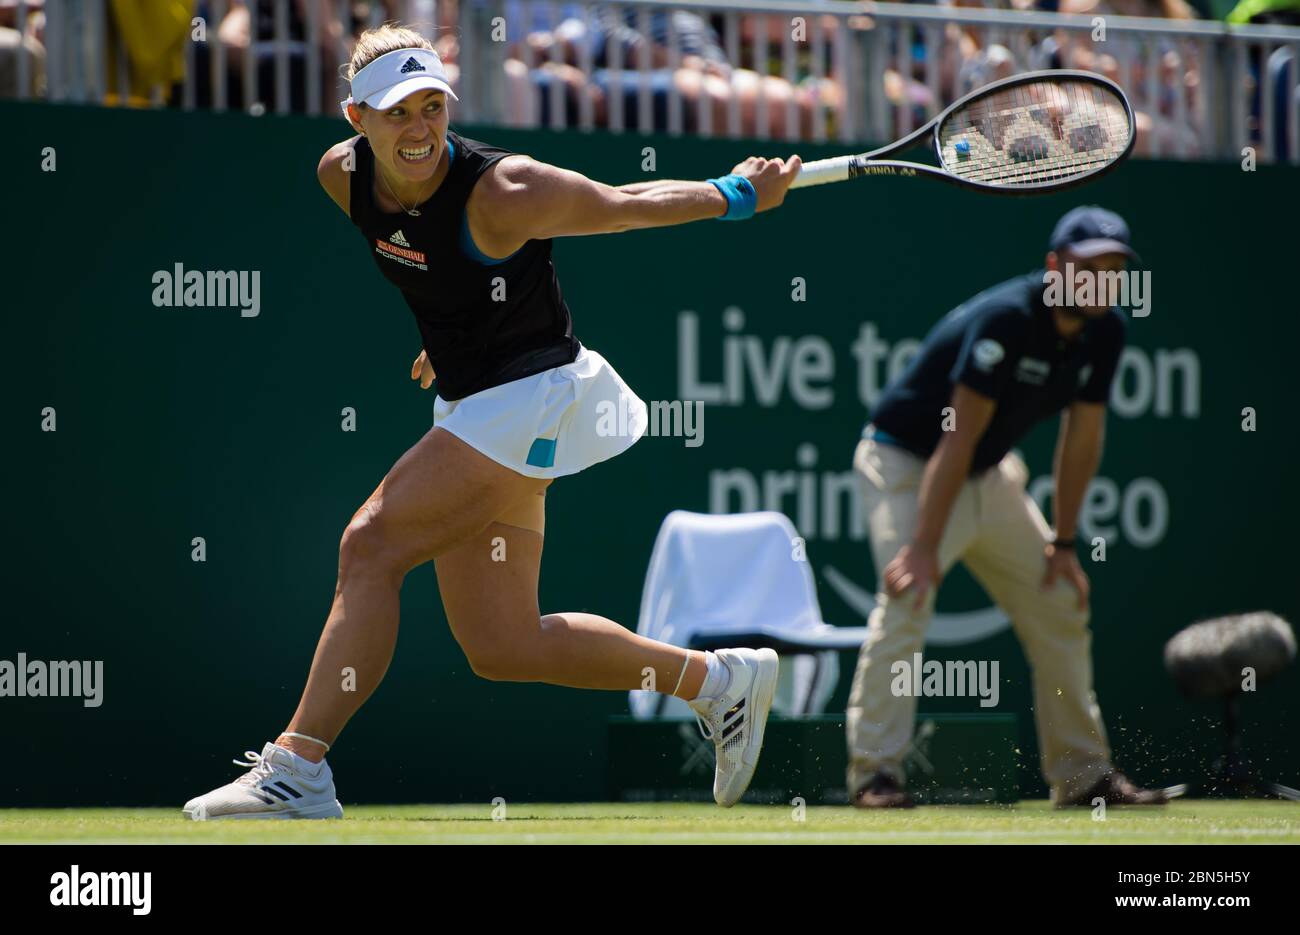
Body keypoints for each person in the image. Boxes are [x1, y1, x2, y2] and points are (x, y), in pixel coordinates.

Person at [182, 23, 802, 819]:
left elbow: (621, 207)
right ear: (355, 119)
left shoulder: (505, 191)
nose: (419, 127)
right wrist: (449, 337)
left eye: (431, 106)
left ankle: (296, 768)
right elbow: (432, 267)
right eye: (398, 110)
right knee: (503, 644)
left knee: (369, 545)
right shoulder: (341, 177)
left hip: (536, 392)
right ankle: (718, 681)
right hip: (482, 399)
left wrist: (738, 193)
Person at [845, 206, 1169, 809]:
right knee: (907, 598)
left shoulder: (1107, 331)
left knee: (1060, 600)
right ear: (1055, 267)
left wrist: (1064, 545)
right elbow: (957, 435)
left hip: (987, 475)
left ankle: (1083, 777)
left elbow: (1082, 439)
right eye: (1089, 265)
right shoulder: (1006, 320)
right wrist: (921, 546)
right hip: (908, 463)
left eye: (1114, 268)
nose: (1103, 280)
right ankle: (875, 776)